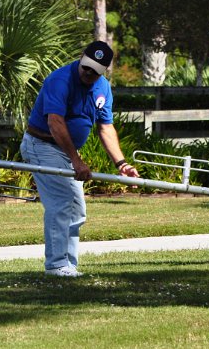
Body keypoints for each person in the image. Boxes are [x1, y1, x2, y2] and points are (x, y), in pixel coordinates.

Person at [20, 41, 140, 277]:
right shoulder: (60, 80)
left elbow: (106, 128)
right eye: (86, 66)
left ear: (103, 71)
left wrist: (122, 164)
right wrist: (76, 160)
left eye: (94, 71)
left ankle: (68, 265)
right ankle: (56, 265)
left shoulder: (103, 88)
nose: (88, 73)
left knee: (77, 209)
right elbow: (55, 123)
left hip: (64, 151)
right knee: (62, 201)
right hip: (42, 145)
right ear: (81, 57)